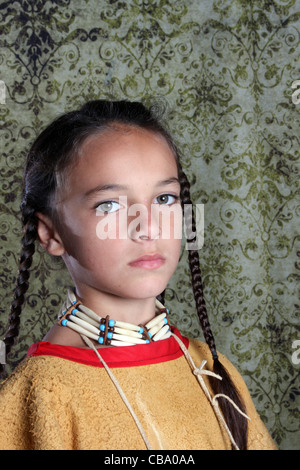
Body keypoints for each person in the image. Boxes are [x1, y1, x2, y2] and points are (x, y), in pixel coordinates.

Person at [0, 100, 277, 450]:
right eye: (109, 205)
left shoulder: (210, 369)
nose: (148, 227)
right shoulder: (40, 395)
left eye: (164, 198)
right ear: (50, 233)